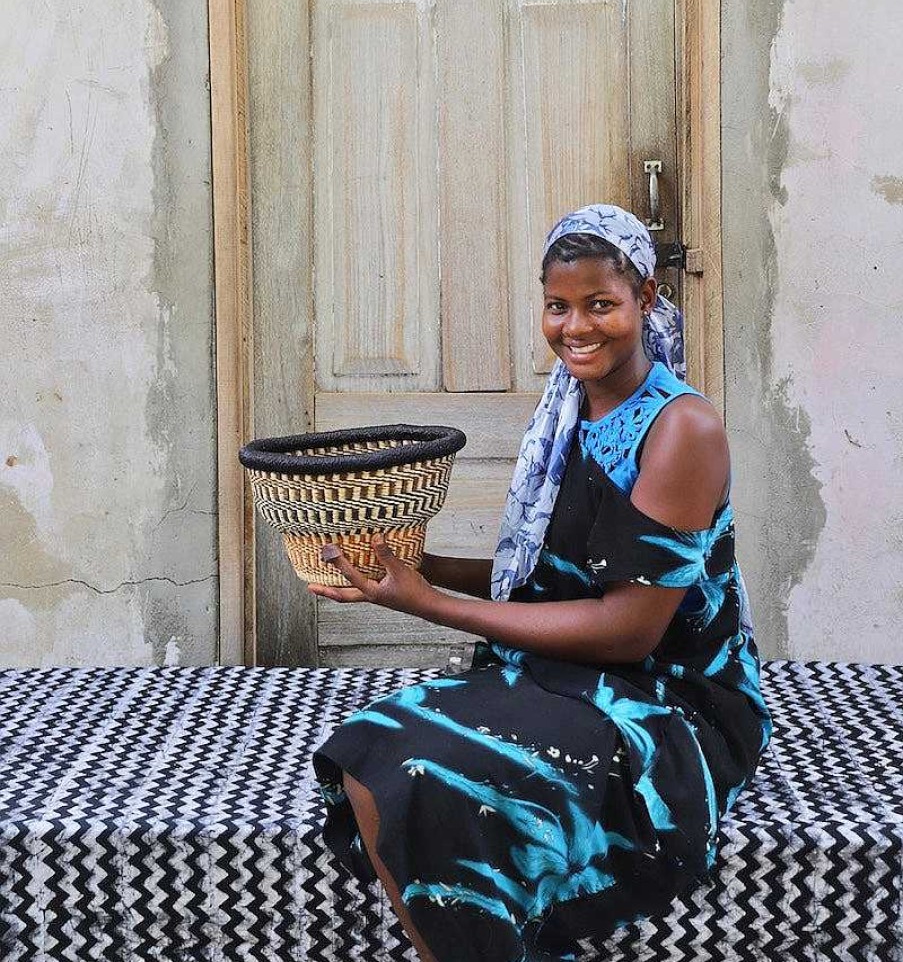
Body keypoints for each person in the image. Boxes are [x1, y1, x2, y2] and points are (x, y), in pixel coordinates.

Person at [310, 203, 773, 962]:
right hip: (565, 672)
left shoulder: (680, 428)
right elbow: (538, 578)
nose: (575, 326)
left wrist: (429, 603)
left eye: (600, 304)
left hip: (663, 697)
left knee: (435, 776)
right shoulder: (569, 415)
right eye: (558, 306)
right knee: (368, 751)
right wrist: (409, 571)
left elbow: (630, 627)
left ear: (646, 299)